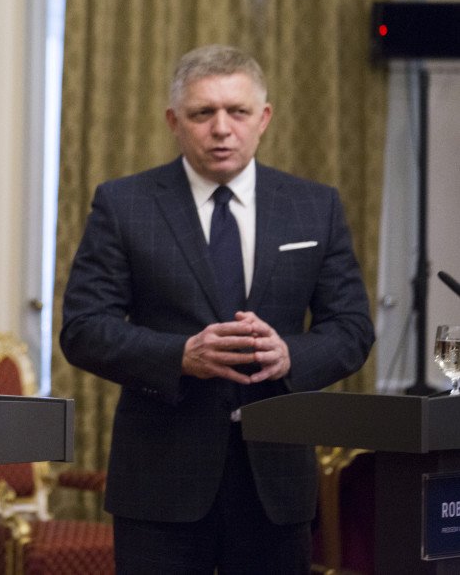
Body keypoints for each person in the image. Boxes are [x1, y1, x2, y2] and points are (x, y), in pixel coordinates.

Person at [59, 45, 373, 574]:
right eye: (203, 113)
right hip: (160, 484)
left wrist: (290, 355)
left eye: (238, 112)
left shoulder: (314, 206)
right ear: (173, 122)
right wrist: (180, 354)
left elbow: (352, 329)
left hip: (276, 483)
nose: (221, 128)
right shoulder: (124, 204)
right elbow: (85, 328)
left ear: (264, 118)